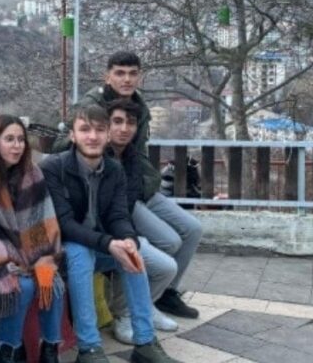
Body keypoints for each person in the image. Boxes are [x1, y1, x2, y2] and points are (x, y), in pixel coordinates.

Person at [40, 104, 178, 363]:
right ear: (72, 135)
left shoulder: (114, 169)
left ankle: (145, 343)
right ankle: (89, 348)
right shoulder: (54, 168)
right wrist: (108, 243)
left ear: (107, 135)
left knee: (132, 254)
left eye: (99, 130)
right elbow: (65, 224)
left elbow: (118, 216)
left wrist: (128, 239)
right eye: (84, 130)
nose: (92, 136)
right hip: (61, 250)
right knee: (80, 252)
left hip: (99, 246)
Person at [78, 52, 201, 320]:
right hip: (114, 194)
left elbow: (138, 152)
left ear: (140, 76)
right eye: (120, 73)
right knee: (168, 241)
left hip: (139, 185)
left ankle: (166, 293)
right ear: (107, 75)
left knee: (192, 229)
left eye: (133, 73)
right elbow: (72, 146)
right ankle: (138, 304)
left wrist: (148, 182)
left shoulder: (139, 104)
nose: (127, 79)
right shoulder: (93, 104)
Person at [0, 115, 64, 363]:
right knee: (20, 287)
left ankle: (49, 350)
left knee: (51, 282)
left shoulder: (32, 173)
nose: (17, 145)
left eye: (20, 139)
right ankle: (8, 350)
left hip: (31, 254)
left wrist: (45, 258)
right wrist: (7, 261)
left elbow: (44, 218)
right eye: (9, 139)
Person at [105, 99, 180, 344]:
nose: (124, 128)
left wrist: (130, 233)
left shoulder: (131, 156)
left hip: (121, 224)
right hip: (100, 232)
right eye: (117, 122)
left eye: (130, 123)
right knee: (141, 257)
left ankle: (144, 306)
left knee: (169, 259)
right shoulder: (98, 154)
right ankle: (124, 314)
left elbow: (126, 202)